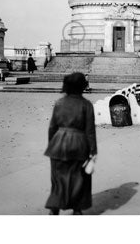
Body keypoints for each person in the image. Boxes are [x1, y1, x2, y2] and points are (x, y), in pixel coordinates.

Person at [44, 72, 97, 215]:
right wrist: (93, 151)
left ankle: (54, 207)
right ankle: (77, 208)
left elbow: (52, 127)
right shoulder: (86, 105)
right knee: (78, 177)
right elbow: (90, 131)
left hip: (58, 144)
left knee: (58, 178)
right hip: (78, 145)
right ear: (82, 87)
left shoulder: (59, 103)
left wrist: (52, 145)